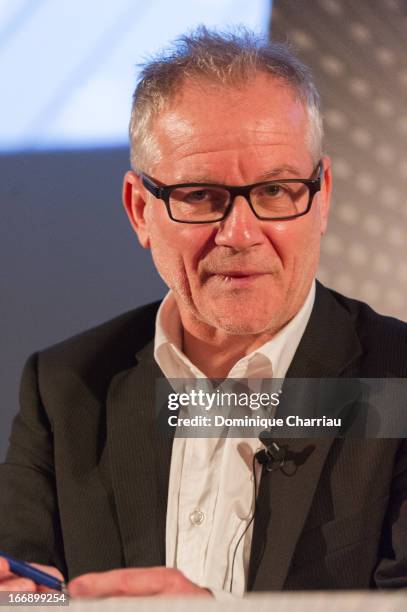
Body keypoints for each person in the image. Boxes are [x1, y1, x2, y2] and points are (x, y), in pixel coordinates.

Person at [0, 28, 406, 598]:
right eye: (199, 196)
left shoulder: (398, 383)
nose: (240, 234)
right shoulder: (67, 388)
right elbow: (24, 586)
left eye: (276, 190)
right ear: (140, 210)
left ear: (323, 197)